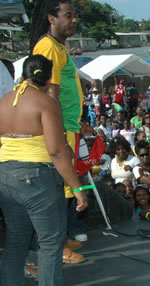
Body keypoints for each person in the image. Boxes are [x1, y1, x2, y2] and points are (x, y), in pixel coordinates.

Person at [0, 55, 86, 286]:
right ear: (49, 77)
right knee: (50, 243)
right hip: (37, 178)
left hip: (5, 176)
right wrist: (78, 189)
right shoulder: (45, 103)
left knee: (16, 241)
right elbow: (57, 152)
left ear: (21, 75)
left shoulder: (3, 102)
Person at [31, 0, 87, 260]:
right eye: (68, 15)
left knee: (65, 186)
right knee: (59, 188)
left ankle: (62, 237)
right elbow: (49, 93)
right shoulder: (49, 47)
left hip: (69, 125)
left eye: (74, 15)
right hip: (60, 127)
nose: (73, 20)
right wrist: (58, 133)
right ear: (52, 18)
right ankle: (57, 246)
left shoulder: (58, 46)